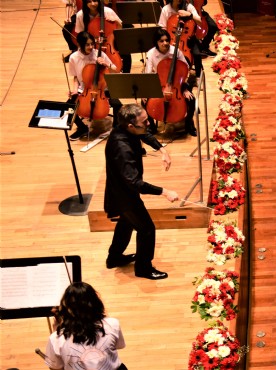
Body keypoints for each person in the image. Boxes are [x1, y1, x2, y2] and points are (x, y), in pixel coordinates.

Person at [104, 104, 179, 280]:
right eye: (144, 122)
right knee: (146, 229)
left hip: (120, 190)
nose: (148, 124)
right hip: (124, 195)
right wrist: (164, 191)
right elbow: (135, 183)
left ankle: (114, 258)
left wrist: (162, 150)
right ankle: (144, 268)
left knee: (127, 223)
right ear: (131, 125)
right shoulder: (122, 148)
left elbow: (144, 133)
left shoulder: (124, 128)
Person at [45, 282, 127, 370]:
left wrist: (56, 332)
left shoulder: (56, 339)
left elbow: (55, 367)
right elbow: (119, 345)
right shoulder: (113, 324)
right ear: (96, 303)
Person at [66, 31, 121, 140]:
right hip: (84, 88)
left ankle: (116, 128)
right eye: (87, 44)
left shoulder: (99, 54)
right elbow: (76, 77)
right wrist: (75, 90)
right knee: (69, 106)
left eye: (92, 44)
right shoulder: (73, 58)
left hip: (102, 88)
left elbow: (116, 70)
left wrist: (105, 64)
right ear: (80, 45)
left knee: (117, 104)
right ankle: (82, 128)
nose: (91, 47)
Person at [144, 28, 198, 136]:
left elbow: (185, 69)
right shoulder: (151, 54)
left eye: (167, 40)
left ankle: (189, 124)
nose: (165, 43)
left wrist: (185, 89)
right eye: (161, 41)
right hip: (160, 83)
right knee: (144, 101)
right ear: (156, 42)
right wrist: (145, 92)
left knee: (191, 99)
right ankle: (152, 127)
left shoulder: (176, 51)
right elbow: (148, 74)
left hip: (177, 82)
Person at [158, 0, 203, 78]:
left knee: (197, 54)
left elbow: (199, 21)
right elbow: (162, 28)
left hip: (188, 39)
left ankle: (198, 76)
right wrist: (167, 41)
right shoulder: (166, 9)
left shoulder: (188, 7)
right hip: (171, 39)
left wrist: (190, 15)